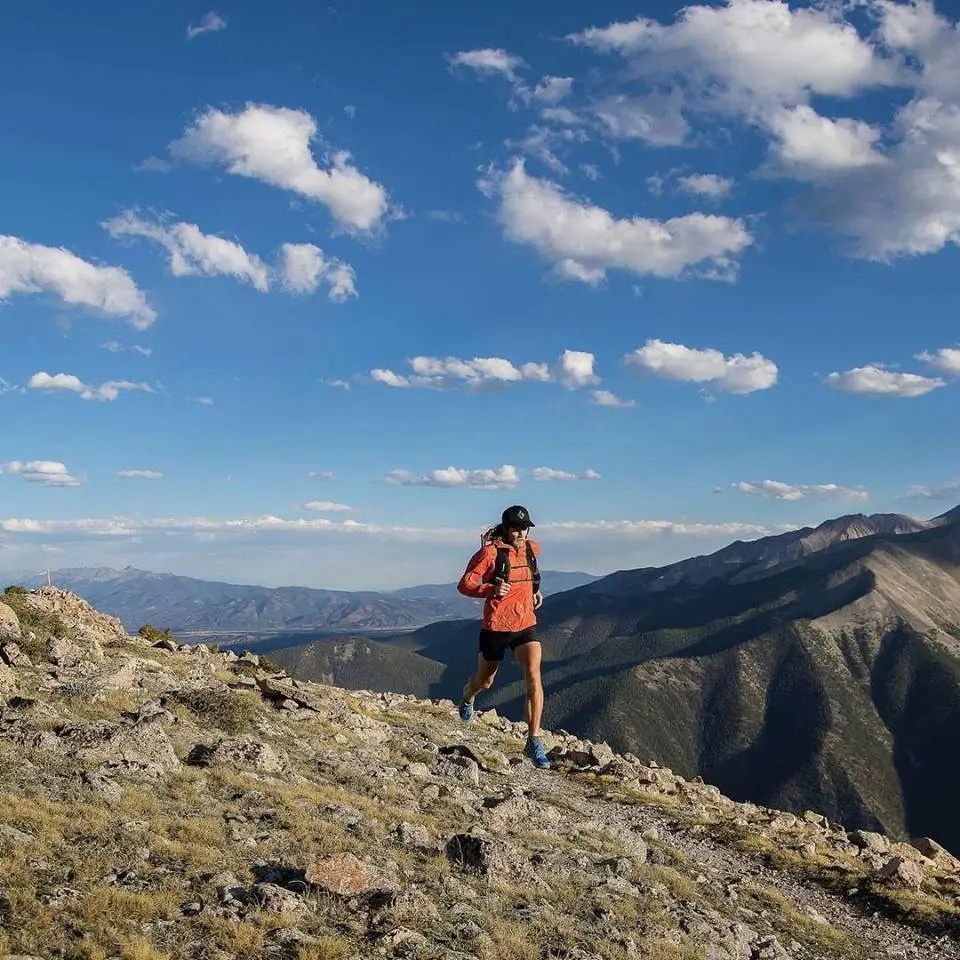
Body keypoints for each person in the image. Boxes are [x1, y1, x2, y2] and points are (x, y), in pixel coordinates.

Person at [456, 505, 550, 769]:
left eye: (525, 528)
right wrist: (491, 588)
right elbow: (464, 585)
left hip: (525, 624)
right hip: (496, 627)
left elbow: (528, 576)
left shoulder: (533, 549)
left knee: (534, 675)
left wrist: (535, 591)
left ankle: (534, 740)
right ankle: (467, 696)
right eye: (516, 528)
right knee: (485, 682)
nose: (521, 533)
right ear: (506, 528)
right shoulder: (489, 553)